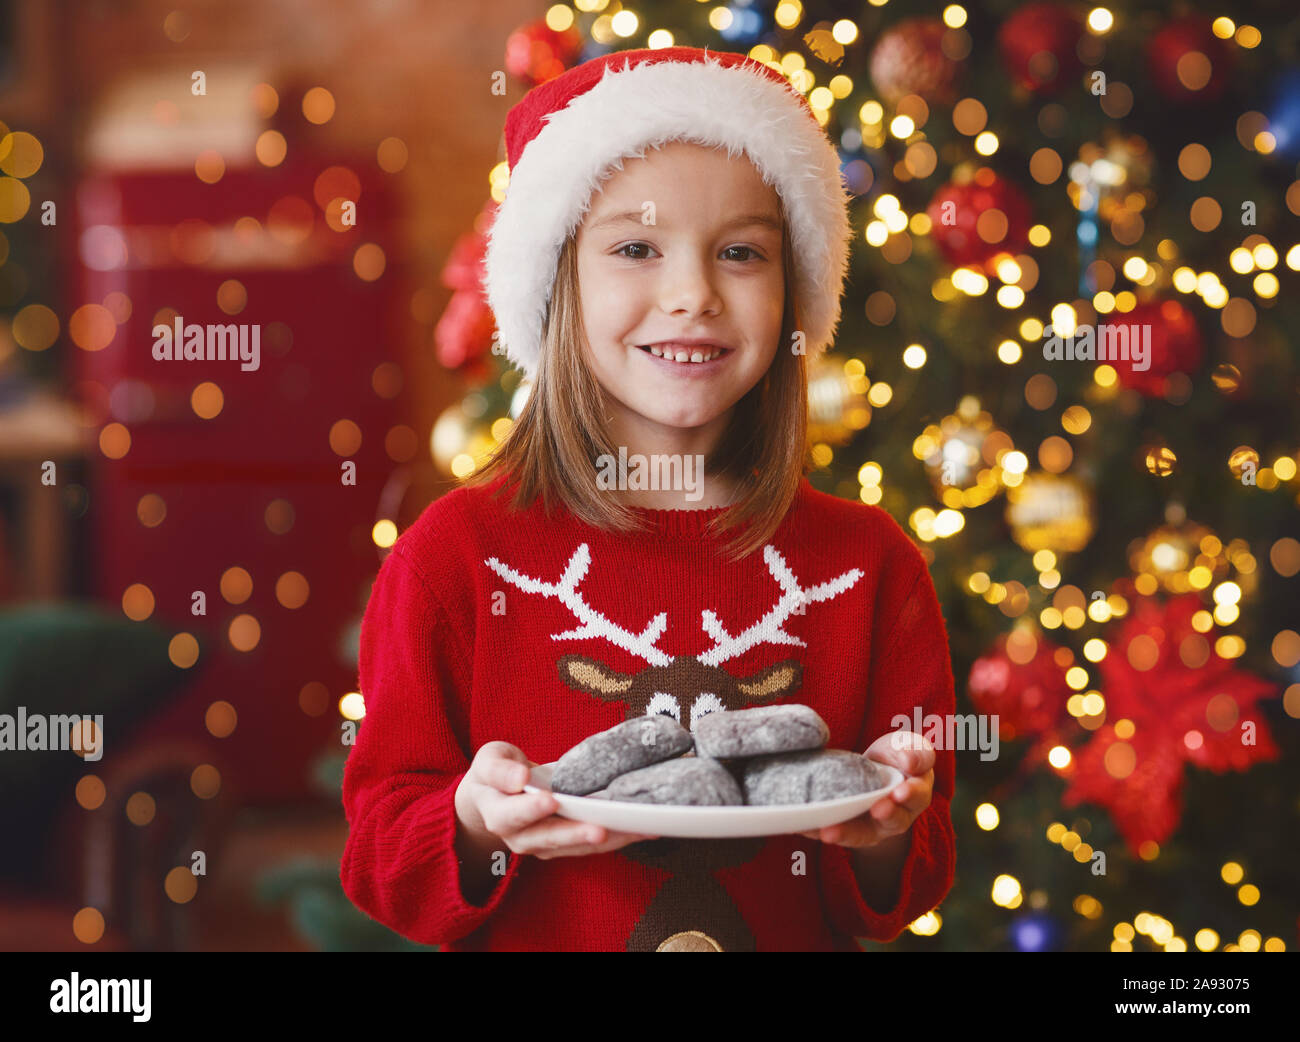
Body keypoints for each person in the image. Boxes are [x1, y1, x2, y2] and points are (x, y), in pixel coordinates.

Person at [340, 46, 956, 952]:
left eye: (742, 252)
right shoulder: (457, 557)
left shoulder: (867, 568)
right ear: (558, 282)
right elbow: (383, 858)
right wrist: (473, 824)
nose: (693, 295)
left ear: (794, 296)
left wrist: (889, 826)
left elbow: (904, 885)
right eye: (636, 248)